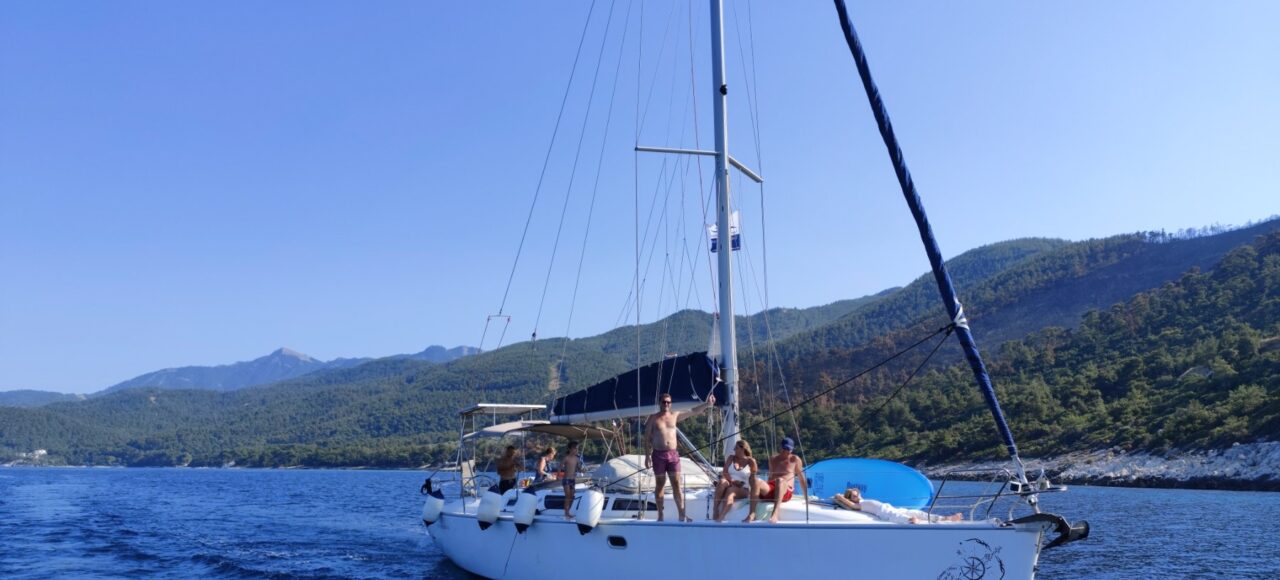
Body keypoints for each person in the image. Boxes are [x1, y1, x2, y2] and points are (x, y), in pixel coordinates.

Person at [643, 392, 716, 522]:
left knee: (676, 484)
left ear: (671, 404)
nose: (666, 404)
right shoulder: (653, 418)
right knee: (660, 484)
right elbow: (647, 437)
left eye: (668, 402)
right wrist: (647, 456)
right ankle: (660, 515)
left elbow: (693, 411)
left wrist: (707, 404)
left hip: (673, 455)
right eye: (664, 402)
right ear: (659, 403)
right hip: (658, 455)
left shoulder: (675, 415)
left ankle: (682, 514)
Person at [749, 436, 808, 524]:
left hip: (785, 489)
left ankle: (775, 514)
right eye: (785, 448)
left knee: (780, 480)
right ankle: (752, 514)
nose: (786, 451)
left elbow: (801, 479)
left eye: (789, 449)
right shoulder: (773, 459)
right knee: (756, 480)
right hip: (772, 488)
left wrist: (806, 497)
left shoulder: (795, 459)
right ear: (781, 447)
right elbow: (770, 476)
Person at [832, 487, 963, 524]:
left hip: (891, 507)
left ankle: (945, 518)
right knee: (904, 517)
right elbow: (851, 505)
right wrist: (840, 497)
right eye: (854, 496)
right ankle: (911, 521)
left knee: (917, 512)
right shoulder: (858, 505)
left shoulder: (862, 500)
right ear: (851, 499)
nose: (857, 496)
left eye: (857, 494)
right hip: (885, 512)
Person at [713, 439, 759, 522]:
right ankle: (715, 510)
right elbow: (725, 472)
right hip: (730, 482)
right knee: (722, 482)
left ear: (743, 449)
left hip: (743, 488)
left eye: (736, 448)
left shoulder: (751, 461)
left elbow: (753, 478)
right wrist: (733, 481)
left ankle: (721, 517)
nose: (734, 450)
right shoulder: (731, 458)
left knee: (731, 490)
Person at [560, 441, 581, 519]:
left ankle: (568, 511)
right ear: (570, 449)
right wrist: (558, 476)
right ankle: (566, 513)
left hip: (572, 480)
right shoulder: (566, 458)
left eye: (577, 449)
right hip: (566, 479)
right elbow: (559, 467)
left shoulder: (577, 459)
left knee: (572, 496)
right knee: (568, 496)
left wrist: (582, 469)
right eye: (575, 449)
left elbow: (579, 468)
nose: (576, 450)